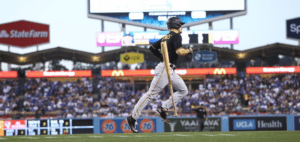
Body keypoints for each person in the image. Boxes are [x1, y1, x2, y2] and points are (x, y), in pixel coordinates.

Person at [126, 17, 193, 133]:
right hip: (165, 68)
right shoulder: (176, 36)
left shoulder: (165, 37)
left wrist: (162, 57)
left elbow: (152, 48)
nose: (182, 27)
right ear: (176, 25)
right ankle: (132, 118)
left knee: (183, 90)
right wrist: (189, 50)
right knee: (151, 94)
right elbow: (179, 51)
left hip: (170, 69)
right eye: (180, 24)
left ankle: (164, 108)